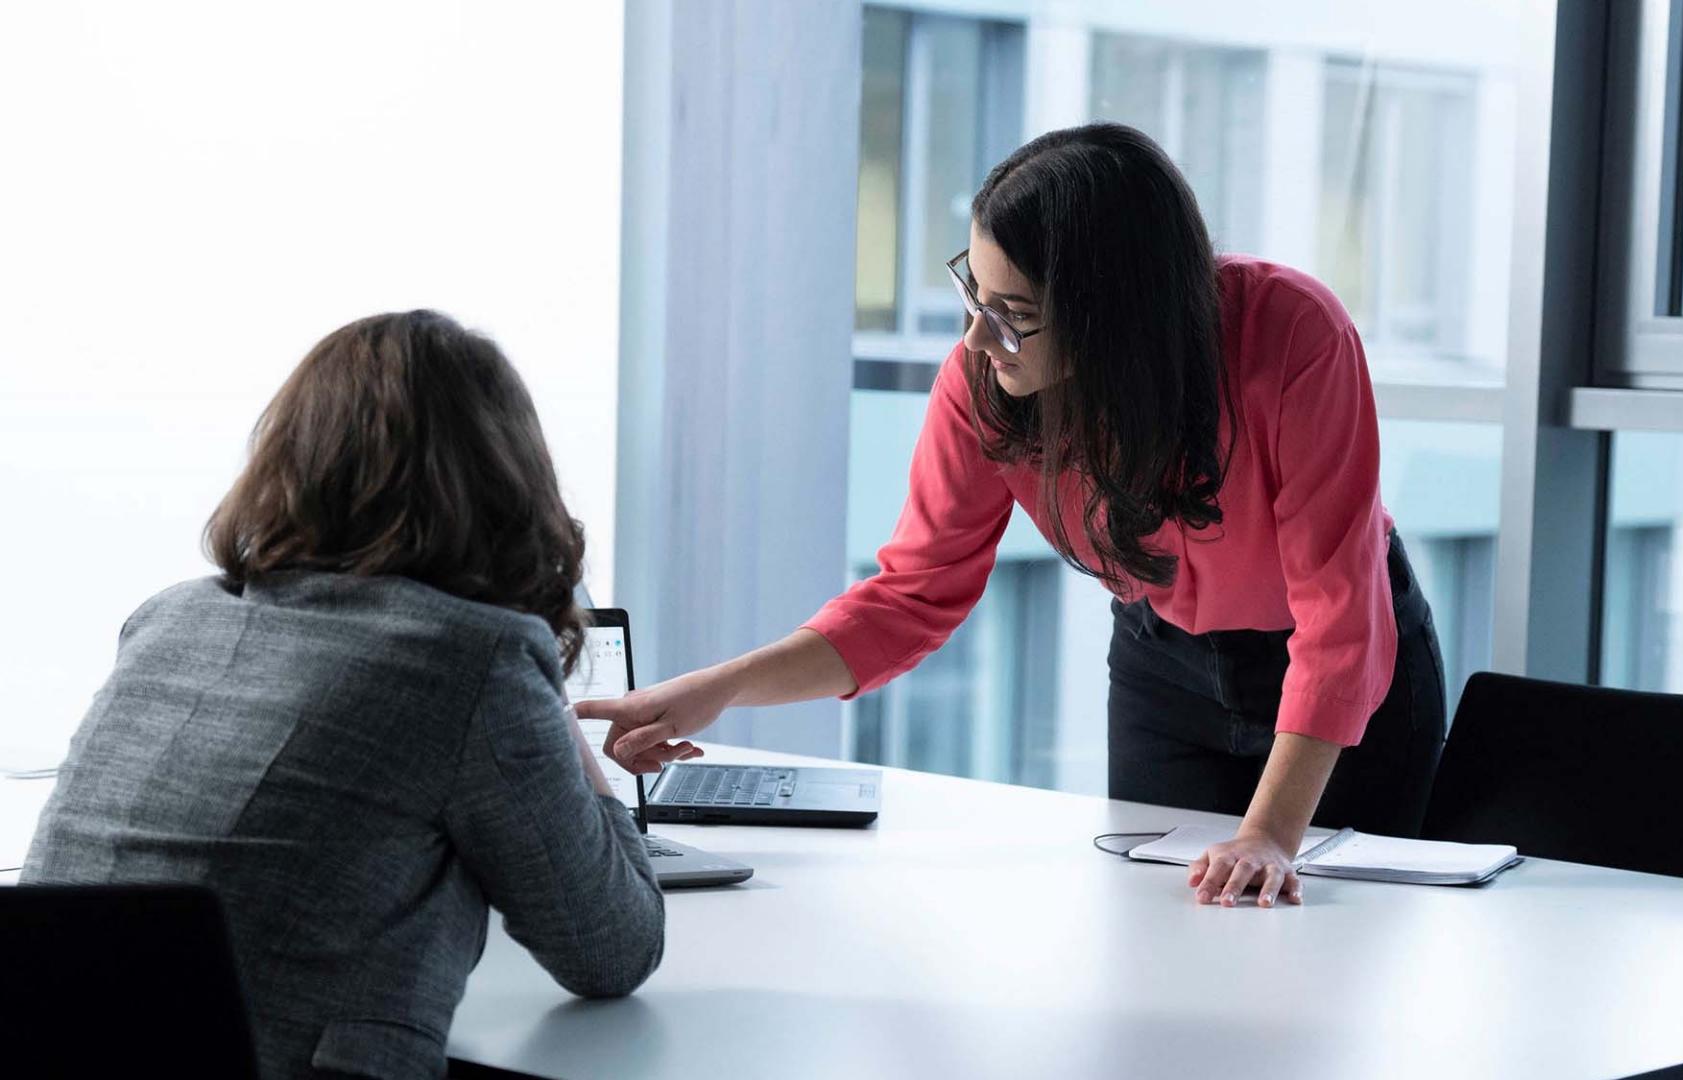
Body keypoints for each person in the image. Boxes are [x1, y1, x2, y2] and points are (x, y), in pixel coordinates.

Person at [580, 123, 1446, 912]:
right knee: (1160, 930)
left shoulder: (1292, 334)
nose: (977, 340)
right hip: (1163, 664)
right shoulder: (981, 387)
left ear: (1116, 319)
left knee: (1331, 938)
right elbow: (910, 597)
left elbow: (1340, 619)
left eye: (1014, 315)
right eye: (974, 293)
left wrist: (1267, 833)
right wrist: (714, 691)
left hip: (1349, 674)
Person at [23, 311, 665, 1078]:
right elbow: (610, 948)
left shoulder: (170, 618)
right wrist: (558, 725)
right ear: (506, 476)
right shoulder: (470, 660)